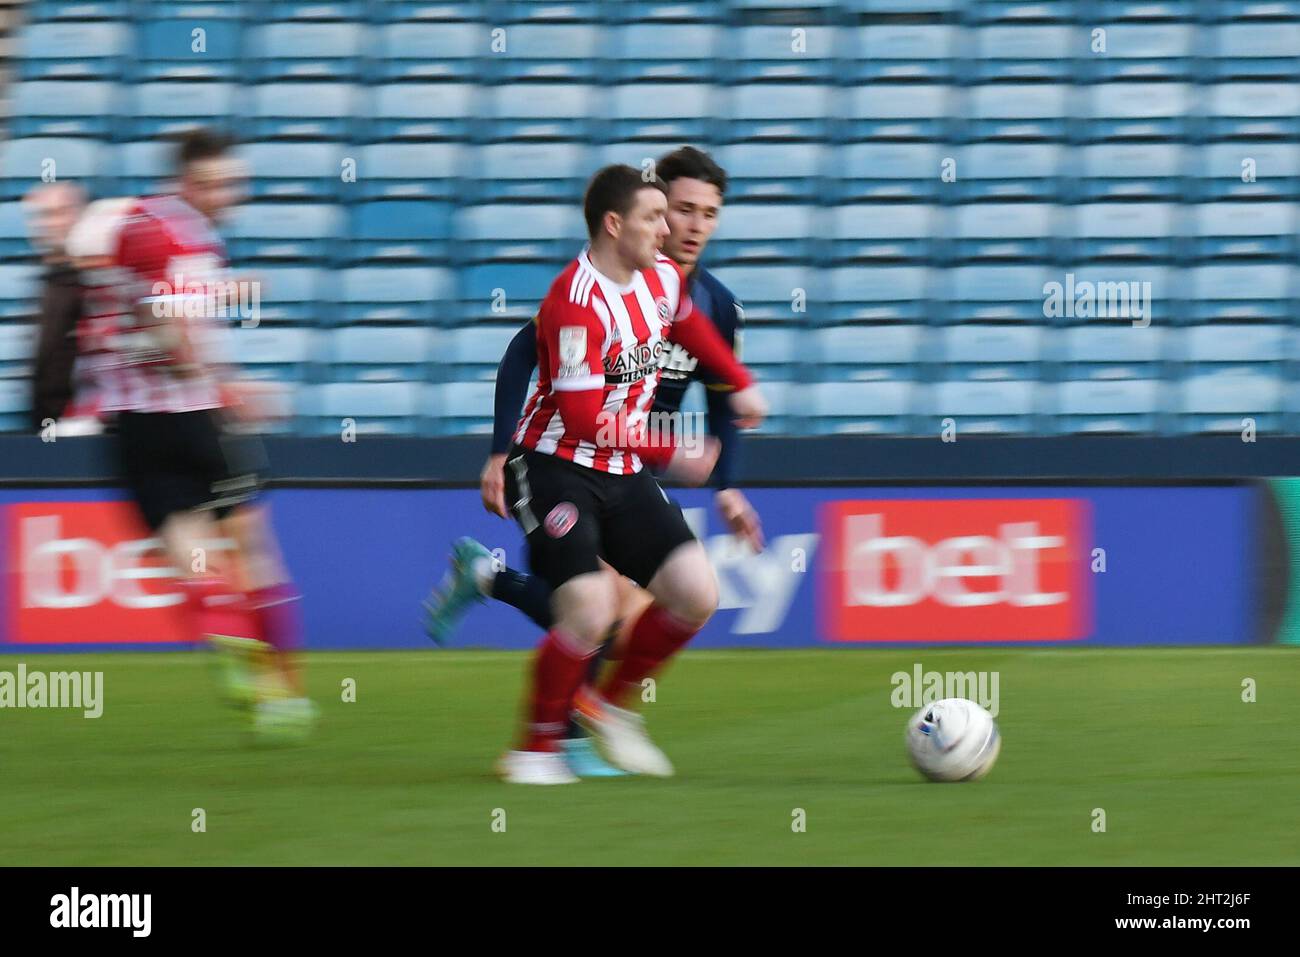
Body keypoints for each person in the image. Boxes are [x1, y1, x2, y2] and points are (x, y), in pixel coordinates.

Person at [424, 147, 761, 776]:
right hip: (554, 467)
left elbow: (687, 324)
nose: (671, 230)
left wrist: (736, 379)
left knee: (695, 593)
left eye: (684, 215)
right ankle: (536, 748)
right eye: (660, 215)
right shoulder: (574, 303)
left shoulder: (660, 276)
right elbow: (581, 422)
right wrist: (674, 451)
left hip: (622, 467)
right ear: (615, 224)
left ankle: (609, 708)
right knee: (590, 607)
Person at [89, 128, 312, 742]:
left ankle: (225, 634)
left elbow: (124, 312)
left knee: (191, 555)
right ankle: (285, 694)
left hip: (132, 423)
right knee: (253, 550)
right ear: (189, 181)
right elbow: (174, 327)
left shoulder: (132, 221)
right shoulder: (185, 238)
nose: (228, 195)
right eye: (218, 185)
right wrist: (225, 385)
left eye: (232, 184)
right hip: (193, 415)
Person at [24, 181, 87, 431]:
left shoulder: (92, 284)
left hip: (81, 429)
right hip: (45, 428)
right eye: (43, 215)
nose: (51, 224)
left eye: (61, 213)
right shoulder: (45, 284)